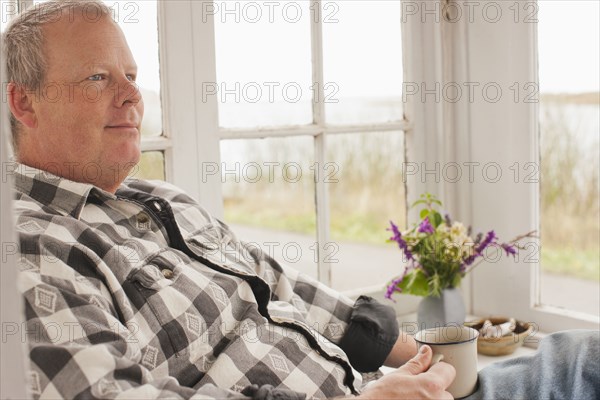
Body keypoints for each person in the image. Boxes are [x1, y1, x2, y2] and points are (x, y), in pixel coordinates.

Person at [3, 1, 598, 399]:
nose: (134, 96)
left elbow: (281, 287)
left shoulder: (161, 200)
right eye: (99, 79)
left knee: (583, 357)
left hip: (372, 388)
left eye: (131, 74)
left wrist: (434, 363)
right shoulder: (31, 253)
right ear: (24, 104)